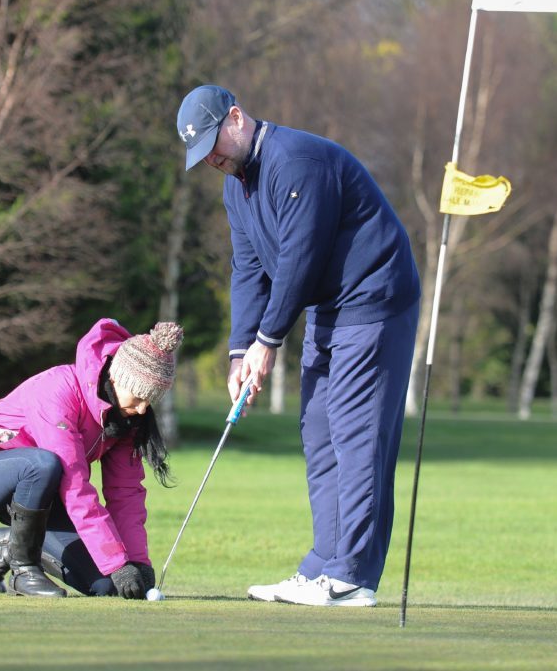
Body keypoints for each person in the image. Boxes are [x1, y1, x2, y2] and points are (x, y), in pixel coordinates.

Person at [176, 85, 421, 607]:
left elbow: (299, 260)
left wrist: (269, 340)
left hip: (375, 298)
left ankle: (351, 576)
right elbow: (247, 270)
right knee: (318, 428)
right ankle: (323, 566)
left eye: (214, 146)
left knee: (356, 434)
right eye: (203, 157)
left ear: (235, 118)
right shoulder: (235, 188)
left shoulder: (296, 162)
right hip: (330, 309)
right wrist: (241, 350)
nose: (213, 160)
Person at [0, 318, 183, 599]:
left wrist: (135, 563)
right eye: (139, 396)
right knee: (42, 465)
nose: (144, 408)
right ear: (116, 377)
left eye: (151, 399)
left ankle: (11, 543)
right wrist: (117, 563)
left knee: (106, 586)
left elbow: (125, 494)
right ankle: (24, 570)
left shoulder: (127, 420)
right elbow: (75, 486)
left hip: (44, 497)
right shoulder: (57, 389)